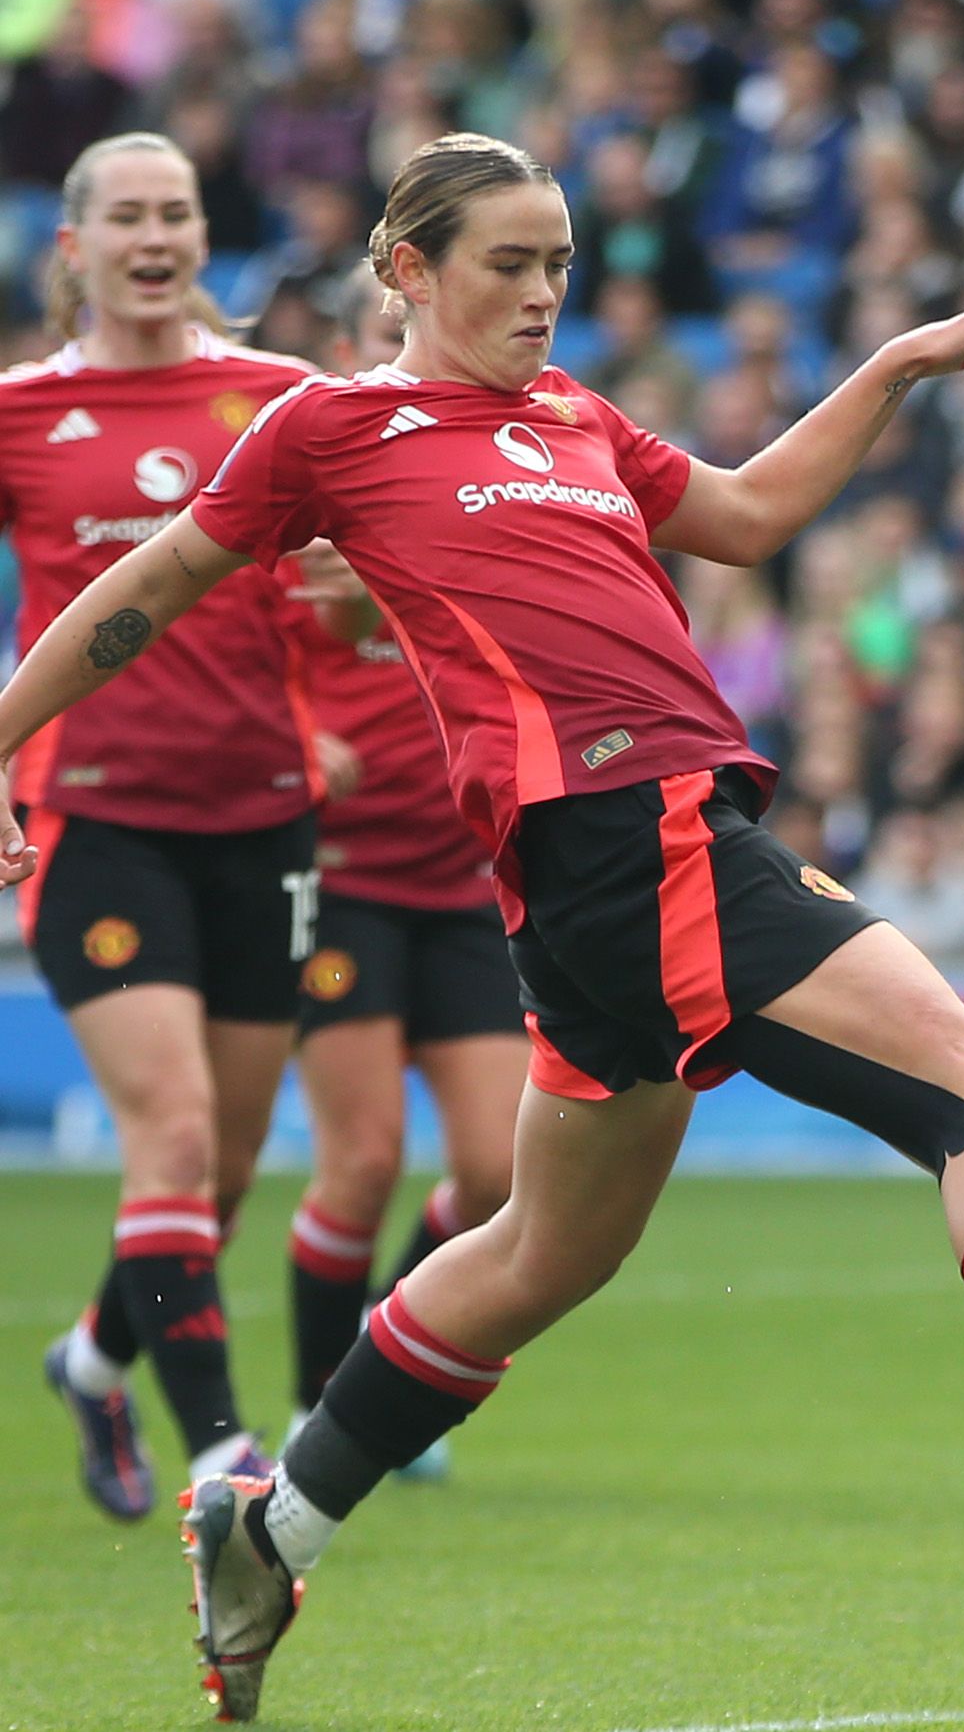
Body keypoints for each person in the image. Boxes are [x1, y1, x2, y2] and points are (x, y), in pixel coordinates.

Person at [0, 133, 964, 1724]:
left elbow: (749, 510)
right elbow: (145, 588)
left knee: (534, 1252)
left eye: (562, 262)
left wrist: (906, 360)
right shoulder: (333, 426)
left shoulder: (574, 418)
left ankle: (270, 1520)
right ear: (409, 270)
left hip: (615, 873)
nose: (543, 292)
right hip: (632, 834)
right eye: (508, 262)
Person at [9, 132, 323, 1520]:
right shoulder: (18, 412)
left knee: (231, 1163)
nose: (153, 236)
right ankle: (221, 1452)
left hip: (265, 819)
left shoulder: (286, 402)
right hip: (91, 819)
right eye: (124, 215)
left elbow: (363, 588)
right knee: (179, 1133)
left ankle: (91, 1358)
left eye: (175, 213)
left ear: (205, 237)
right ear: (72, 247)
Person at [276, 277, 522, 1483]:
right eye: (380, 346)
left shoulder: (485, 477)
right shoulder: (307, 490)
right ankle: (318, 1407)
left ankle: (391, 1347)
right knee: (362, 1159)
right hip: (344, 883)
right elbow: (212, 653)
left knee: (494, 1171)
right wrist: (288, 743)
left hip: (469, 877)